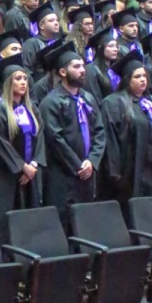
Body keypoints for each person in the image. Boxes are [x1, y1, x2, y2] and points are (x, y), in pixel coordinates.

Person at [38, 41, 106, 230]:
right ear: (62, 72)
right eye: (76, 67)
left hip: (87, 172)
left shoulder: (88, 98)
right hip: (62, 174)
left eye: (83, 66)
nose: (82, 70)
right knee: (64, 223)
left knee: (85, 222)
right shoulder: (50, 102)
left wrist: (91, 161)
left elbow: (100, 131)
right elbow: (55, 139)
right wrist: (78, 165)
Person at [0, 53, 45, 243]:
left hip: (30, 174)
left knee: (28, 219)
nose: (23, 82)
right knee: (6, 220)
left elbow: (40, 136)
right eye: (18, 79)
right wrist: (21, 166)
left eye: (25, 78)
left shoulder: (31, 108)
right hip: (5, 174)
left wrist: (33, 164)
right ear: (8, 82)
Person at [100, 51, 152, 210]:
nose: (143, 80)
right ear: (126, 80)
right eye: (137, 77)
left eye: (144, 76)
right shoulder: (113, 103)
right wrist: (115, 171)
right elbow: (110, 140)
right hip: (127, 171)